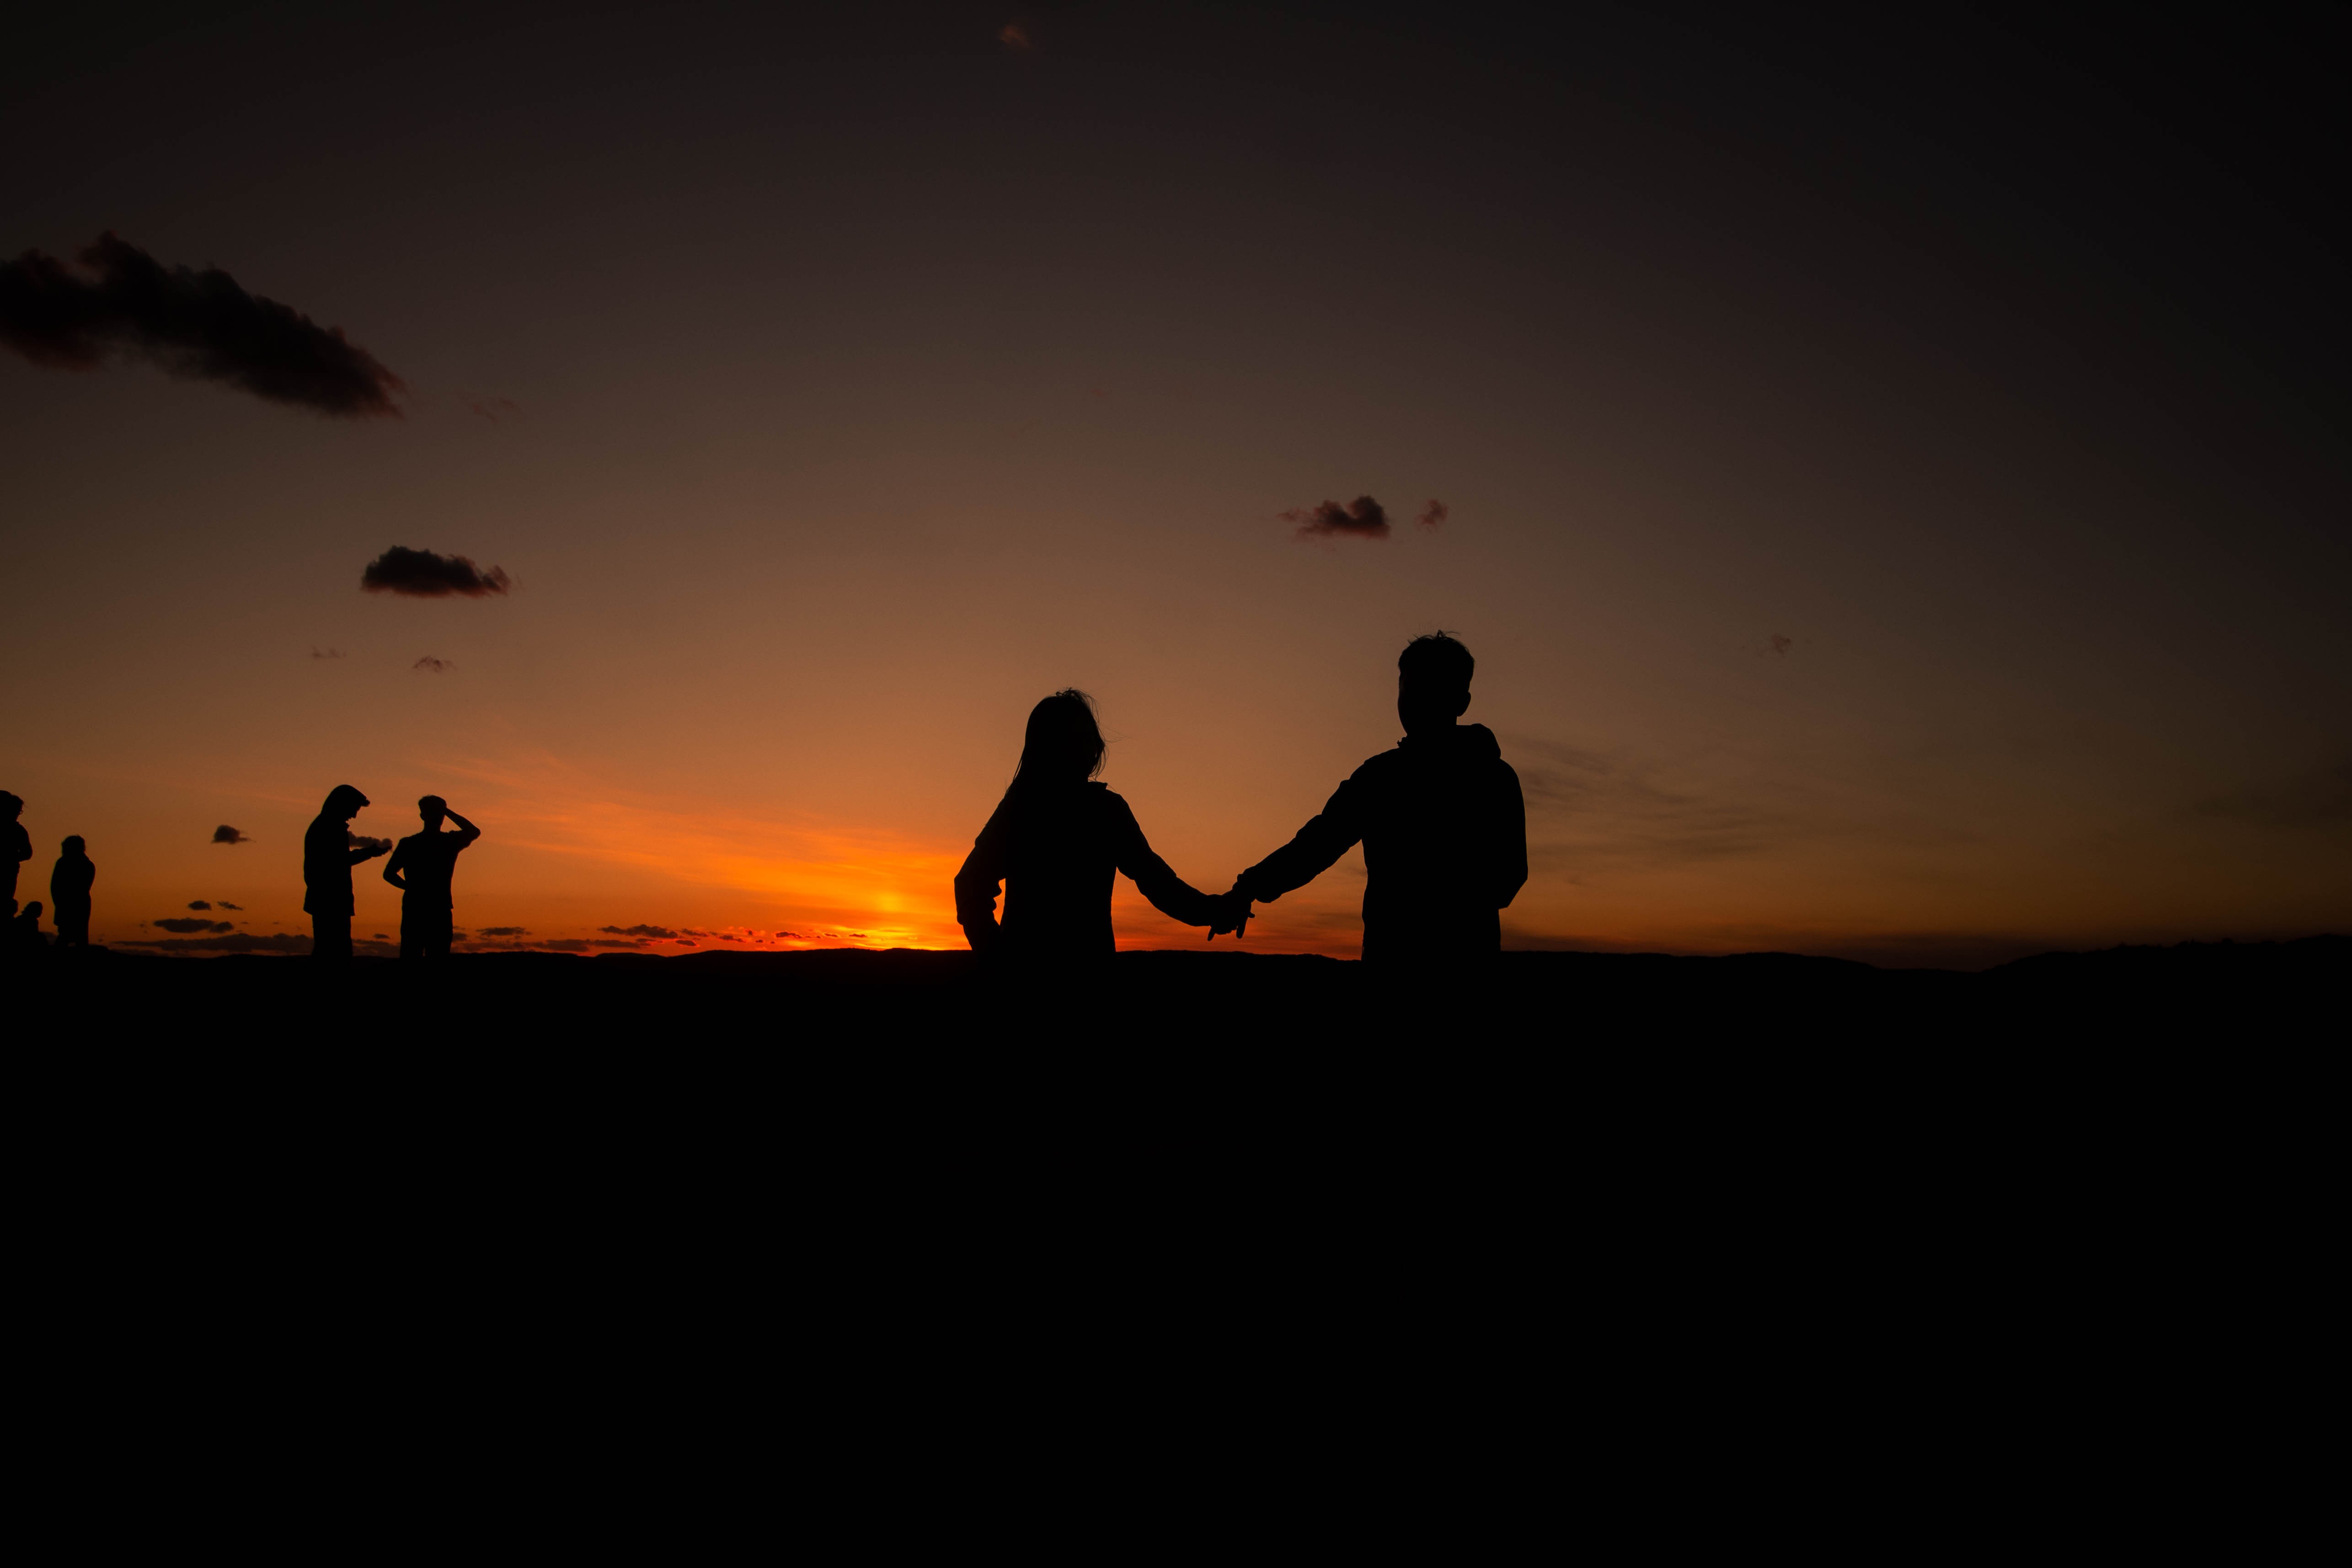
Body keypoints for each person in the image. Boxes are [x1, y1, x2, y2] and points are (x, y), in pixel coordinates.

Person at [1219, 633, 1527, 967]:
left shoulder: (1490, 779)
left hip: (1448, 960)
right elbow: (1317, 845)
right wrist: (1249, 886)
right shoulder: (1380, 777)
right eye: (1410, 688)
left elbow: (1509, 876)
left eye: (1431, 689)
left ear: (1461, 702)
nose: (1417, 700)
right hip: (1399, 962)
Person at [955, 689, 1234, 965]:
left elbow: (1156, 882)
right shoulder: (1034, 809)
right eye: (1076, 739)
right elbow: (1157, 882)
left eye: (1088, 738)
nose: (1089, 748)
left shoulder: (1077, 810)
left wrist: (1212, 911)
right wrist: (998, 958)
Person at [384, 797, 480, 960]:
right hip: (429, 908)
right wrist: (447, 812)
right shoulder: (447, 842)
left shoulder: (416, 843)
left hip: (425, 907)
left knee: (416, 956)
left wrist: (410, 888)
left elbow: (389, 874)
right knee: (429, 957)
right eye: (436, 813)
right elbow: (473, 831)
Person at [304, 785, 389, 959]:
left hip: (327, 900)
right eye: (354, 809)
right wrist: (369, 853)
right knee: (334, 953)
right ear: (343, 805)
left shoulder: (326, 826)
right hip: (331, 901)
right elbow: (338, 861)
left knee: (328, 951)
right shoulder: (329, 828)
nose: (355, 815)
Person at [49, 836, 94, 949]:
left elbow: (56, 885)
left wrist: (60, 902)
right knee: (76, 935)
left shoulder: (64, 863)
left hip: (72, 903)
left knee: (70, 934)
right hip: (75, 903)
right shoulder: (87, 864)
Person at [2, 793, 28, 910]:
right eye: (17, 811)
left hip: (9, 873)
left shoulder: (19, 830)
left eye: (19, 812)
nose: (17, 814)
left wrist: (10, 858)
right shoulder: (19, 830)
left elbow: (27, 853)